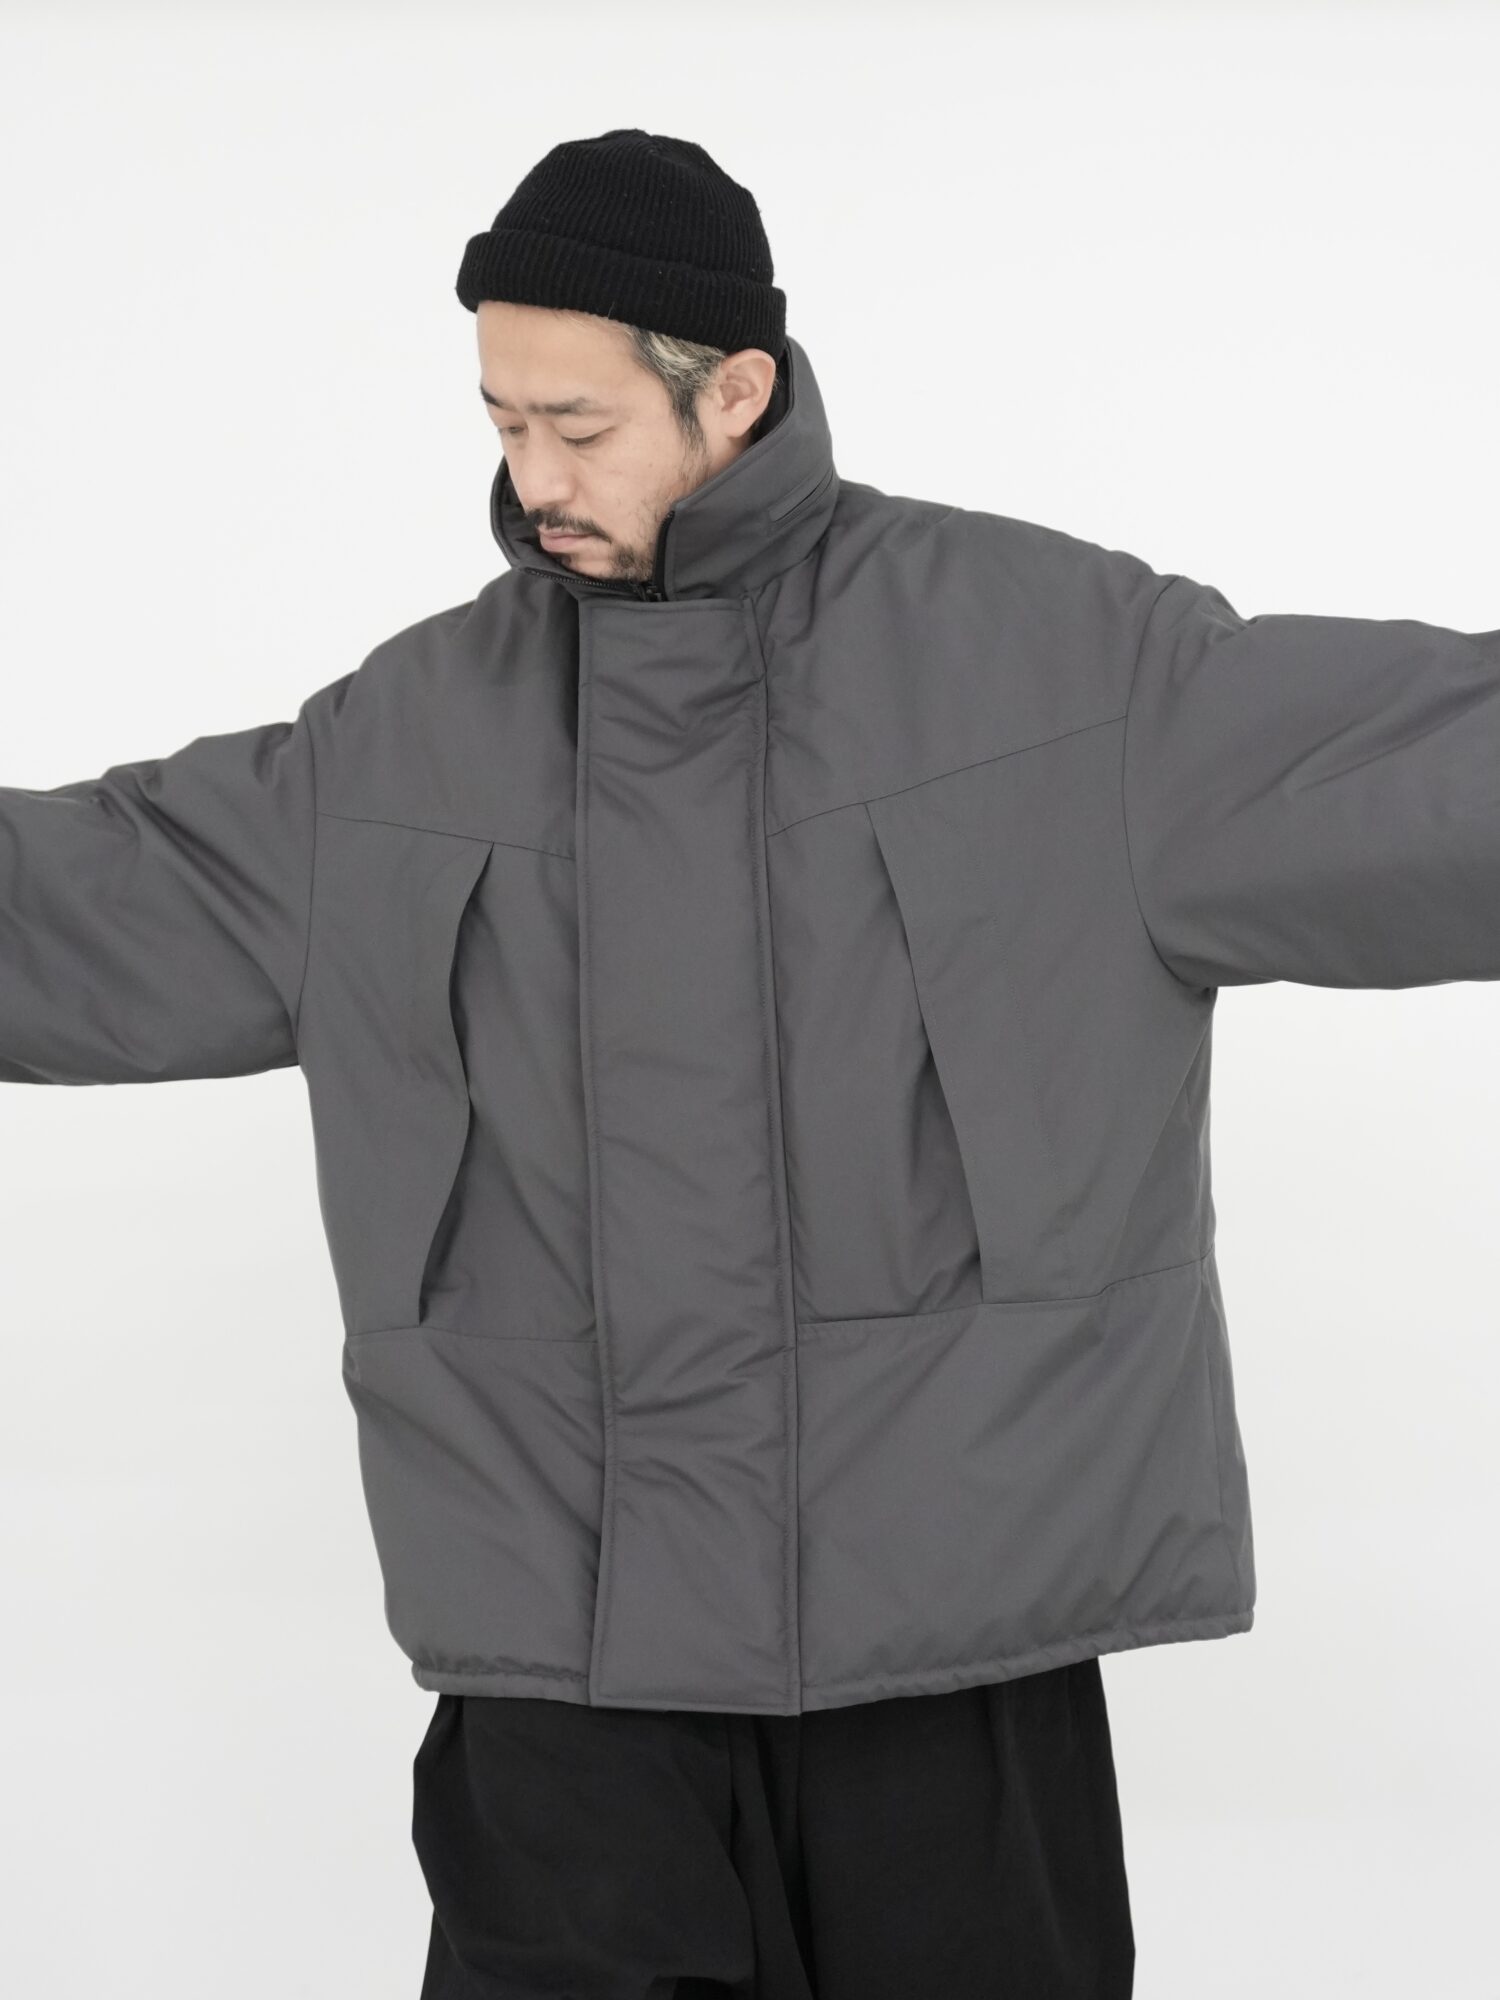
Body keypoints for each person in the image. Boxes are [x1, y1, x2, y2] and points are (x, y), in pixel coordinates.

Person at [6, 126, 1498, 1996]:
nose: (532, 479)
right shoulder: (402, 743)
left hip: (949, 1683)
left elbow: (1417, 773)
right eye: (501, 422)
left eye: (579, 425)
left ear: (735, 390)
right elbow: (91, 901)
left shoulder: (1063, 670)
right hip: (565, 1715)